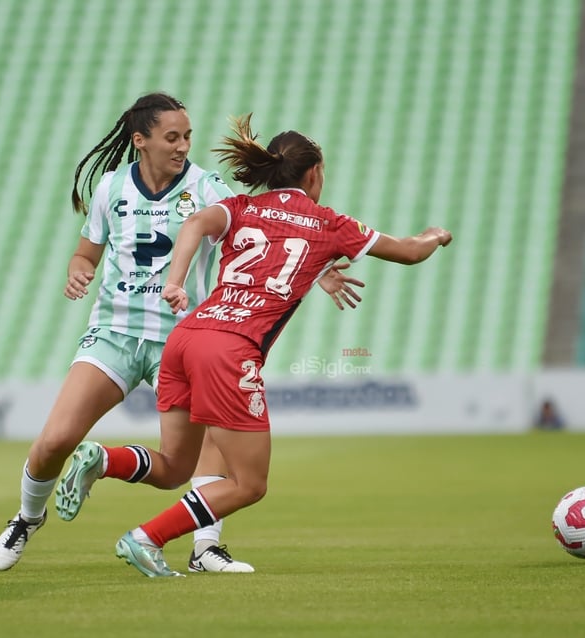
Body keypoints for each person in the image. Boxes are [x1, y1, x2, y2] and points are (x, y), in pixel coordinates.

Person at [56, 113, 453, 577]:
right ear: (314, 173)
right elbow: (408, 251)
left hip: (187, 335)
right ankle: (146, 539)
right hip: (230, 351)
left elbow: (193, 225)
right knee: (249, 483)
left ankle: (108, 460)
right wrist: (434, 236)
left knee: (176, 465)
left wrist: (177, 281)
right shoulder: (328, 223)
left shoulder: (242, 206)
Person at [0, 94, 364, 573]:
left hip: (182, 337)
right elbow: (86, 253)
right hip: (115, 333)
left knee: (204, 451)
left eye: (187, 136)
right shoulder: (111, 188)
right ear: (139, 140)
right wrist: (77, 270)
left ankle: (205, 549)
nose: (184, 145)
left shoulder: (207, 188)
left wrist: (319, 272)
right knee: (55, 440)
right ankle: (26, 517)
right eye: (172, 137)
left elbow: (266, 237)